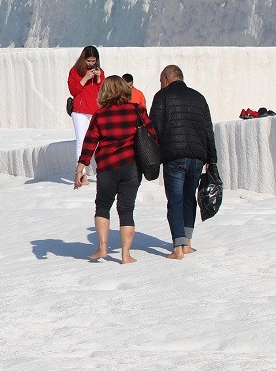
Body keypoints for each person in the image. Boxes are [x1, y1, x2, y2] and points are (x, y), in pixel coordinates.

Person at [74, 76, 157, 264]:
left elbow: (89, 142)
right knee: (126, 210)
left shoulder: (100, 115)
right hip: (131, 167)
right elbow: (152, 135)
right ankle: (126, 255)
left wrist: (80, 167)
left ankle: (102, 248)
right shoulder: (137, 110)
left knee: (103, 206)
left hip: (107, 167)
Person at [150, 65, 218, 260]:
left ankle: (178, 246)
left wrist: (153, 157)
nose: (160, 84)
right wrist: (212, 160)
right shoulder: (199, 97)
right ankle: (188, 243)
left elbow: (154, 128)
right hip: (197, 158)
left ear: (166, 78)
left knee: (175, 200)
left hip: (174, 157)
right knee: (189, 198)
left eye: (161, 80)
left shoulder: (162, 97)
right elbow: (208, 131)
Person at [68, 46, 104, 160]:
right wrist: (85, 78)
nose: (91, 64)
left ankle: (99, 169)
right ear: (83, 59)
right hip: (80, 111)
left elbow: (103, 92)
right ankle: (80, 172)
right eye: (88, 61)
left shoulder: (100, 72)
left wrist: (99, 79)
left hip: (96, 111)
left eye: (94, 61)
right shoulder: (75, 71)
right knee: (81, 141)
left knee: (98, 141)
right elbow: (73, 91)